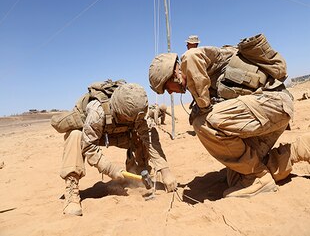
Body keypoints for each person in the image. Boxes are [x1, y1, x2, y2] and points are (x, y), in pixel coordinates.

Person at [149, 33, 310, 198]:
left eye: (166, 87)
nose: (169, 92)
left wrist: (203, 106)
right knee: (236, 177)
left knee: (203, 122)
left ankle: (257, 177)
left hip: (273, 103)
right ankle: (301, 149)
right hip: (263, 114)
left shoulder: (190, 60)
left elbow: (192, 56)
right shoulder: (198, 80)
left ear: (172, 74)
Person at [52, 81, 177, 216]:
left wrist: (165, 170)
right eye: (129, 118)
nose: (134, 120)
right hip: (96, 136)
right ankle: (71, 190)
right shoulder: (97, 111)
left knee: (146, 133)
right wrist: (111, 169)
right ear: (119, 110)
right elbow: (89, 146)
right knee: (74, 135)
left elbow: (150, 138)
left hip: (122, 136)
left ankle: (139, 173)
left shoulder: (137, 111)